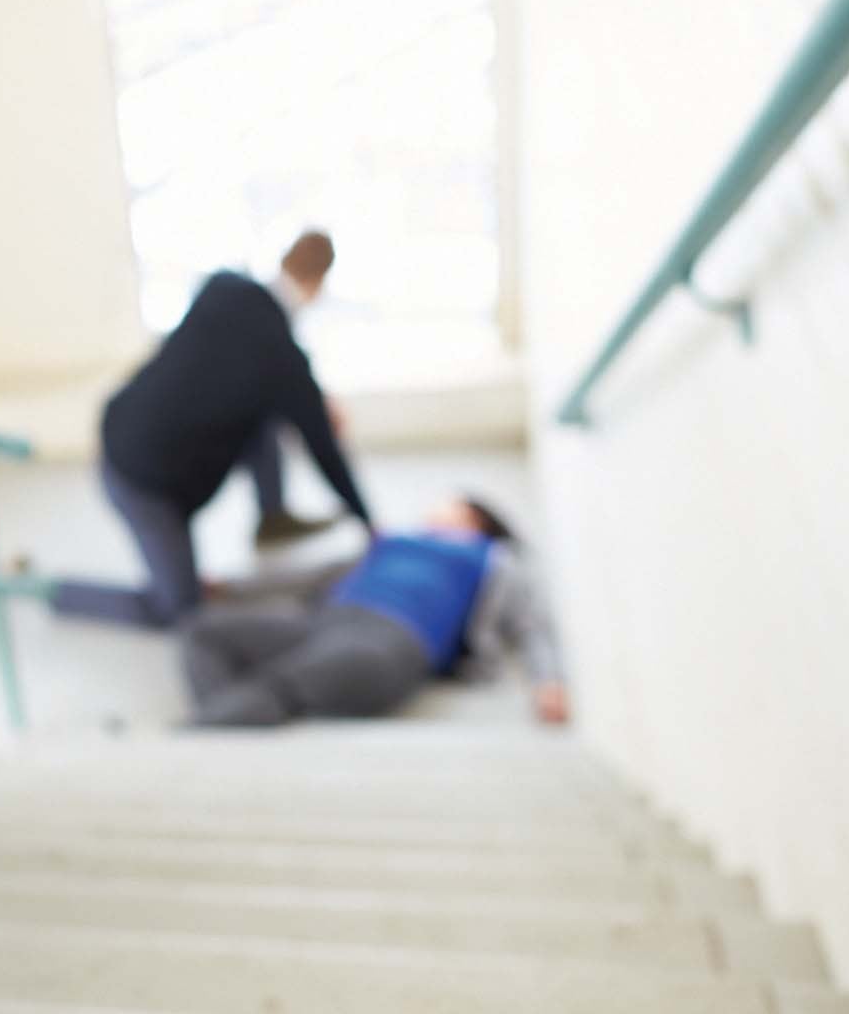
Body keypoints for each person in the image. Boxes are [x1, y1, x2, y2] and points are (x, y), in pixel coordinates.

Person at [49, 230, 371, 628]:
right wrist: (367, 521)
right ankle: (55, 591)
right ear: (319, 284)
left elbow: (236, 363)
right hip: (143, 483)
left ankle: (272, 519)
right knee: (179, 609)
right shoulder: (284, 362)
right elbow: (325, 449)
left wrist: (310, 398)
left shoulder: (225, 286)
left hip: (119, 425)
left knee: (265, 411)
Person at [182, 495, 571, 729]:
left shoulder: (491, 558)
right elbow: (313, 575)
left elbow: (531, 625)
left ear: (474, 519)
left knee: (279, 684)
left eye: (449, 505)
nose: (433, 510)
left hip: (393, 636)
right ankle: (221, 723)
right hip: (324, 622)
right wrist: (230, 587)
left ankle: (209, 731)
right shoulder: (391, 542)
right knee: (203, 632)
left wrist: (549, 682)